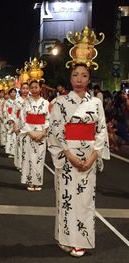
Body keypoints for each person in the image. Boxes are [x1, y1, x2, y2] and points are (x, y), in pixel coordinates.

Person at [48, 26, 109, 257]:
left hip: (89, 158)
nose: (79, 79)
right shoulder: (61, 102)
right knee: (65, 200)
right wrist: (69, 155)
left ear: (89, 78)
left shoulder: (96, 104)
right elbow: (55, 131)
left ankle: (80, 240)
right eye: (75, 75)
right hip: (68, 158)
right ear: (70, 77)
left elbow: (100, 131)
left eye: (84, 76)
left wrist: (93, 155)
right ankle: (65, 237)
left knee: (84, 202)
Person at [19, 58, 49, 192]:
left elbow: (49, 120)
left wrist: (43, 132)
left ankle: (38, 182)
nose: (34, 89)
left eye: (36, 87)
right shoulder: (25, 103)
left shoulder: (46, 103)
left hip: (41, 133)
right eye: (31, 87)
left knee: (39, 159)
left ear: (40, 88)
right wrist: (30, 132)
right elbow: (22, 119)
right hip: (29, 133)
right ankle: (30, 182)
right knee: (29, 158)